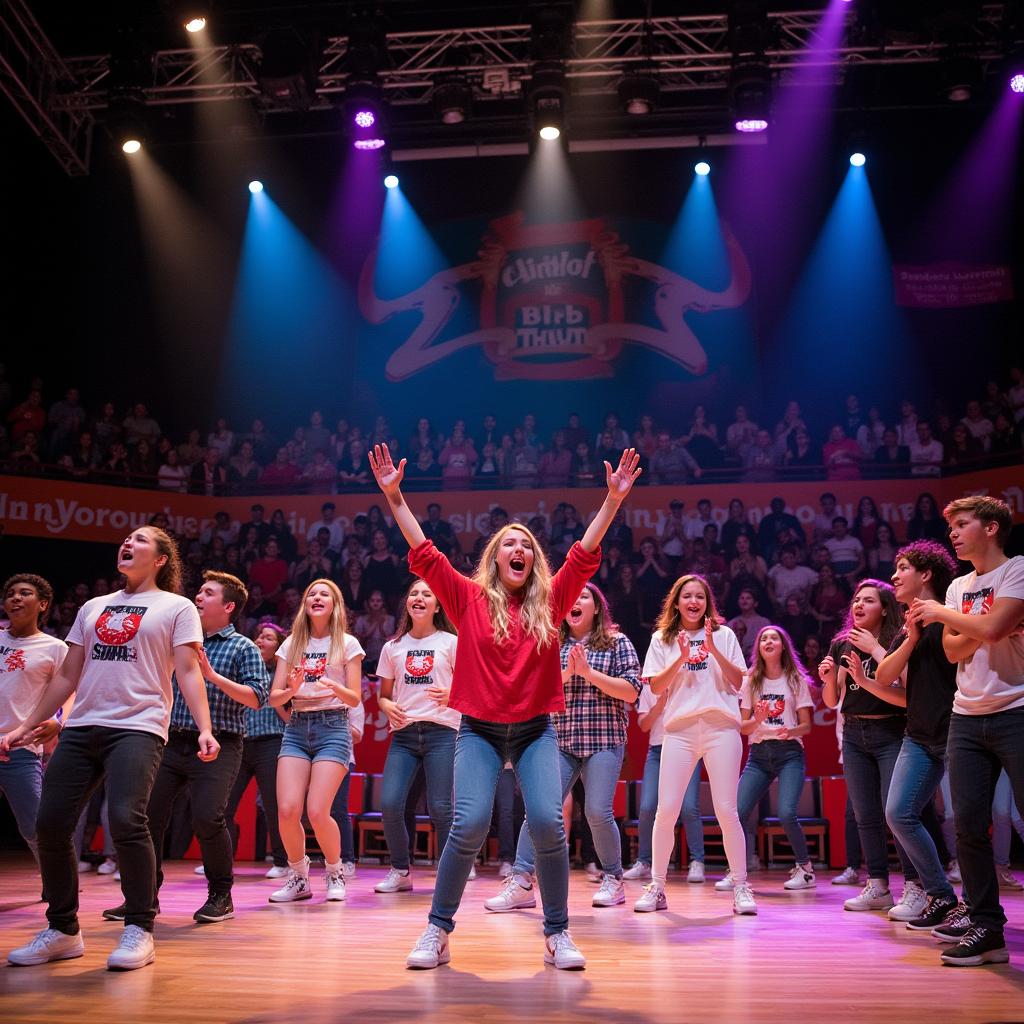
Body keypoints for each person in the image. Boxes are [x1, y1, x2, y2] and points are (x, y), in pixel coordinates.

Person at [369, 442, 640, 970]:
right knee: (467, 825)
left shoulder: (552, 601)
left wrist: (612, 501)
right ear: (495, 557)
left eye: (527, 545)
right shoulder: (467, 597)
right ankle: (437, 930)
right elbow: (424, 550)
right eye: (508, 543)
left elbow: (584, 553)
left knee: (546, 821)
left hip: (537, 730)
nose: (519, 549)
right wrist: (395, 496)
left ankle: (557, 932)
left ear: (533, 561)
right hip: (480, 732)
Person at [4, 528, 219, 971]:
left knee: (126, 818)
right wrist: (30, 723)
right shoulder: (93, 607)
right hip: (83, 725)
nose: (128, 543)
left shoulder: (176, 607)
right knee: (50, 825)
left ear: (160, 559)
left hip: (137, 727)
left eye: (140, 540)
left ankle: (140, 927)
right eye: (125, 539)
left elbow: (188, 671)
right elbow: (67, 676)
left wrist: (204, 727)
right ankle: (63, 930)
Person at [103, 572, 269, 926]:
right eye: (198, 591)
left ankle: (221, 895)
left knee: (208, 817)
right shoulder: (176, 639)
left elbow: (257, 699)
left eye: (208, 593)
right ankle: (143, 898)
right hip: (169, 740)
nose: (198, 597)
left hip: (220, 742)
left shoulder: (243, 647)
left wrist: (212, 677)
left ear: (228, 607)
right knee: (147, 819)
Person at [903, 496, 1023, 966]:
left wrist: (966, 622)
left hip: (1017, 709)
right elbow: (956, 651)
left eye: (961, 524)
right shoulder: (957, 586)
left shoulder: (1016, 571)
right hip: (966, 716)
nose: (952, 533)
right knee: (969, 828)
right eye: (950, 525)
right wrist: (991, 624)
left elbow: (983, 632)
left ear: (991, 528)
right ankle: (987, 928)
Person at [485, 582, 641, 911]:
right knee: (542, 810)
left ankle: (614, 879)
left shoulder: (617, 642)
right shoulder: (549, 642)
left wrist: (588, 672)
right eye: (572, 596)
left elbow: (631, 691)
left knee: (598, 812)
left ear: (596, 608)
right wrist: (569, 673)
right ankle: (522, 882)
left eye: (583, 596)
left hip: (603, 740)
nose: (575, 600)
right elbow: (533, 689)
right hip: (560, 740)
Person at [833, 541, 961, 932]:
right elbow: (886, 678)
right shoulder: (912, 626)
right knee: (892, 814)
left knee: (961, 821)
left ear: (925, 575)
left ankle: (945, 898)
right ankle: (938, 895)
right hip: (916, 733)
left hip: (952, 729)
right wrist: (904, 638)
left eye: (902, 568)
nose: (894, 575)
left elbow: (959, 656)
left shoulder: (951, 616)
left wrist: (878, 646)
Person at [634, 575, 753, 915]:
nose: (693, 601)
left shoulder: (725, 635)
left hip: (721, 729)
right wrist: (681, 657)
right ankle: (656, 887)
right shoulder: (663, 638)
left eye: (699, 596)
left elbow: (736, 681)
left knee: (727, 810)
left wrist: (712, 647)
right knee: (666, 810)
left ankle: (741, 887)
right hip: (680, 730)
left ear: (707, 602)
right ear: (676, 602)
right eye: (686, 596)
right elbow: (656, 687)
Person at [819, 579, 916, 915]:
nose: (858, 605)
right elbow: (831, 701)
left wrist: (876, 648)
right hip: (854, 733)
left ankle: (915, 886)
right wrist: (828, 678)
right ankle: (877, 885)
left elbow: (906, 690)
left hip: (890, 730)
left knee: (898, 814)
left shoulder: (896, 639)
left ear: (885, 607)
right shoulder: (840, 644)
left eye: (868, 601)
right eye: (856, 600)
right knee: (865, 816)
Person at [266, 579, 364, 904]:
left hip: (333, 725)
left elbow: (354, 699)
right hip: (297, 726)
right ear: (305, 605)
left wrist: (332, 685)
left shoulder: (347, 644)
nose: (317, 598)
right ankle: (298, 877)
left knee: (318, 811)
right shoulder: (292, 643)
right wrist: (292, 690)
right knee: (286, 809)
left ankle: (334, 871)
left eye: (324, 594)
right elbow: (274, 698)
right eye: (312, 594)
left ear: (335, 605)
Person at [374, 579, 460, 894]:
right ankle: (400, 870)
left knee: (441, 807)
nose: (419, 598)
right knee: (391, 803)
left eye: (427, 594)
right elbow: (383, 695)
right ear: (407, 604)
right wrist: (387, 706)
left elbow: (470, 688)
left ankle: (455, 871)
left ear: (438, 606)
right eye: (413, 593)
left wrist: (452, 692)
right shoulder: (392, 647)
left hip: (442, 732)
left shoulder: (451, 642)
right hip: (405, 735)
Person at [734, 626, 817, 892]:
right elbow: (743, 727)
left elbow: (806, 726)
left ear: (783, 646)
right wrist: (756, 720)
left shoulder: (795, 680)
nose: (769, 641)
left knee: (786, 812)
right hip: (758, 755)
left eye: (774, 638)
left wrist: (790, 731)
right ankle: (736, 872)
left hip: (789, 753)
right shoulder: (751, 680)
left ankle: (805, 870)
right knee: (736, 812)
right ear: (758, 647)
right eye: (764, 638)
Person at [0, 575, 68, 868]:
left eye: (24, 593)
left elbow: (70, 693)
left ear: (42, 605)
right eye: (10, 594)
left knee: (35, 828)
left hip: (21, 747)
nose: (16, 598)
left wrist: (59, 721)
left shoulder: (55, 648)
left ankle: (58, 883)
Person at [223, 622, 290, 879]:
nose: (261, 640)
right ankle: (223, 860)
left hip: (271, 743)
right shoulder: (244, 669)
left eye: (269, 637)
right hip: (242, 742)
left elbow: (288, 713)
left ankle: (282, 861)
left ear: (278, 645)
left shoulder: (280, 674)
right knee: (226, 804)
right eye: (259, 636)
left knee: (274, 805)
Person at [624, 685, 707, 885]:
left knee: (689, 807)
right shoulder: (649, 688)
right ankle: (644, 861)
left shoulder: (688, 680)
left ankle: (697, 860)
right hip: (657, 751)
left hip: (688, 748)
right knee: (647, 807)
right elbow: (644, 725)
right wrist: (660, 703)